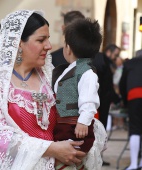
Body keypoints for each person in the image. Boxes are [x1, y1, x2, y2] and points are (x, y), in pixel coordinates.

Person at [0, 10, 87, 170]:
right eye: (41, 40)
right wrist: (51, 149)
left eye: (48, 39)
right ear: (19, 43)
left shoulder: (50, 78)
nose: (48, 46)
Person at [52, 18, 107, 170]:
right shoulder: (71, 70)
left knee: (71, 157)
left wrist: (83, 121)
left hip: (75, 127)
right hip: (65, 125)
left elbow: (89, 100)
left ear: (68, 48)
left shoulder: (87, 73)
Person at [119, 53, 142, 170]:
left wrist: (124, 100)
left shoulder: (130, 63)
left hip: (135, 95)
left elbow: (122, 84)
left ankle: (133, 164)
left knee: (135, 129)